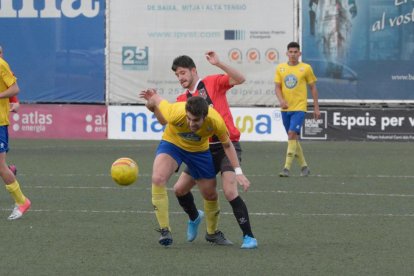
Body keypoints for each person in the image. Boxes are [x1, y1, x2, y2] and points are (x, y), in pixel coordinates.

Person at [139, 89, 250, 247]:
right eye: (189, 119)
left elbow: (227, 144)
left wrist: (238, 172)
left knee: (210, 194)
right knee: (158, 178)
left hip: (199, 151)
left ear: (205, 117)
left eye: (196, 120)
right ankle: (165, 230)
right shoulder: (174, 111)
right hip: (173, 144)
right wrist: (152, 105)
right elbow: (156, 100)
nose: (191, 124)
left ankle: (212, 233)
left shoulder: (215, 120)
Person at [170, 52, 257, 249]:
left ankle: (249, 237)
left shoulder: (212, 82)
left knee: (229, 190)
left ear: (193, 71)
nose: (180, 78)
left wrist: (219, 64)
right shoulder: (181, 99)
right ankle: (194, 217)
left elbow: (240, 79)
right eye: (177, 75)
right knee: (179, 189)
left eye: (183, 72)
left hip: (228, 146)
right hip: (201, 150)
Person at [274, 42, 320, 177]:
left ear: (299, 54)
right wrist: (281, 100)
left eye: (295, 52)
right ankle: (304, 167)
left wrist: (316, 107)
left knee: (291, 134)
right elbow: (277, 87)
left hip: (299, 107)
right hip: (285, 109)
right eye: (291, 52)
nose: (293, 54)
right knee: (292, 138)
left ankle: (286, 168)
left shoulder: (306, 68)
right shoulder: (280, 68)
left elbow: (313, 88)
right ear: (287, 53)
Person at [0, 45, 31, 220]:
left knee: (0, 167)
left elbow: (15, 89)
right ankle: (9, 170)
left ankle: (22, 201)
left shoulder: (1, 64)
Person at [309, 0, 357, 78]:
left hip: (342, 18)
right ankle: (330, 65)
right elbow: (312, 5)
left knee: (341, 43)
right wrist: (312, 24)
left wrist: (352, 5)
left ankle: (338, 67)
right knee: (326, 42)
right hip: (325, 17)